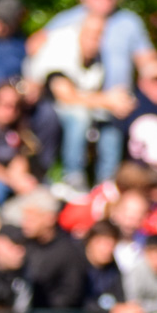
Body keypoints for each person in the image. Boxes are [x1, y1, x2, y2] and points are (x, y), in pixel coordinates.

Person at [26, 10, 134, 187]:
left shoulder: (97, 58)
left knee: (110, 118)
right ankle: (72, 176)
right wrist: (108, 100)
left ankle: (107, 182)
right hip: (44, 109)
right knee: (80, 116)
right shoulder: (61, 47)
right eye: (92, 35)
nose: (96, 41)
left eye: (100, 35)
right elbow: (65, 96)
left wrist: (116, 103)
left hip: (77, 107)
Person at [16, 188, 86, 311]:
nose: (25, 224)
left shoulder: (68, 251)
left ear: (49, 218)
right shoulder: (23, 244)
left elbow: (71, 294)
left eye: (32, 219)